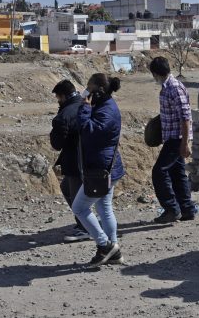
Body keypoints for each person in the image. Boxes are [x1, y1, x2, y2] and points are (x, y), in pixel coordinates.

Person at [72, 73, 125, 266]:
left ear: (98, 91)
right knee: (104, 208)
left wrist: (85, 107)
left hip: (101, 170)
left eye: (89, 88)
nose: (85, 92)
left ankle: (105, 245)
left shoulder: (107, 111)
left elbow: (87, 130)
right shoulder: (105, 105)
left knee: (79, 207)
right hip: (106, 167)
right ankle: (115, 251)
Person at [149, 56, 197, 223]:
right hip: (172, 137)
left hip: (177, 139)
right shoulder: (166, 87)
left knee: (159, 172)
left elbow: (186, 117)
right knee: (177, 174)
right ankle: (187, 209)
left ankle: (171, 209)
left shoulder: (174, 88)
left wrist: (186, 143)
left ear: (155, 73)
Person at [49, 80, 91, 243]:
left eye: (58, 98)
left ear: (63, 96)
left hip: (75, 162)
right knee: (66, 188)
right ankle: (85, 224)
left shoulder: (64, 115)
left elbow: (56, 144)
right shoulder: (84, 104)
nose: (58, 101)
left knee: (77, 196)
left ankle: (84, 228)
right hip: (88, 157)